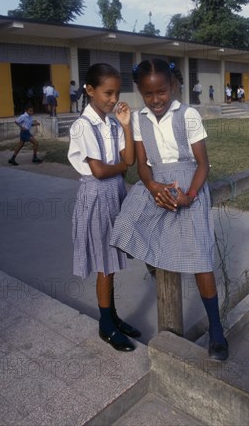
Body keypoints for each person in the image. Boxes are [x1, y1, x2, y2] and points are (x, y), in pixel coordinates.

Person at [110, 59, 229, 361]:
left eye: (161, 92)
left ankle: (216, 331)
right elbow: (142, 165)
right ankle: (153, 261)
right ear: (140, 92)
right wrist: (153, 189)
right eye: (148, 94)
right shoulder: (139, 119)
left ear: (172, 86)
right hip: (157, 182)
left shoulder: (187, 115)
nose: (156, 100)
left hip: (189, 184)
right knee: (125, 223)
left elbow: (203, 163)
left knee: (201, 258)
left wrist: (189, 195)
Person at [68, 63, 140, 352]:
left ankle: (113, 316)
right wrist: (122, 167)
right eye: (107, 93)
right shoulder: (82, 126)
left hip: (116, 193)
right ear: (89, 90)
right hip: (97, 196)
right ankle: (105, 325)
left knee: (112, 262)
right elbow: (98, 171)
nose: (113, 99)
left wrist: (126, 124)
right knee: (104, 265)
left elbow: (130, 159)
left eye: (117, 93)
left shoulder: (112, 124)